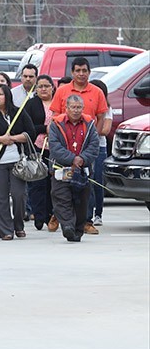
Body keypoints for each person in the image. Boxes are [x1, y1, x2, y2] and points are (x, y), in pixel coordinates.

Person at [50, 57, 108, 235]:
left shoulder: (97, 92)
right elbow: (54, 116)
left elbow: (100, 118)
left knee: (86, 189)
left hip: (86, 148)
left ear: (89, 72)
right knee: (61, 189)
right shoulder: (62, 91)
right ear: (72, 72)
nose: (81, 74)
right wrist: (68, 155)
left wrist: (89, 147)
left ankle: (86, 221)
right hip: (64, 149)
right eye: (78, 70)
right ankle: (60, 218)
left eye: (84, 70)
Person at [0, 85, 36, 240]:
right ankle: (5, 230)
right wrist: (0, 140)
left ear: (8, 96)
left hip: (17, 160)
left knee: (19, 194)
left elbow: (31, 133)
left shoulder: (18, 112)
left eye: (0, 94)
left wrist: (13, 139)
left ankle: (18, 225)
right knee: (0, 197)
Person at [49, 95, 99, 242]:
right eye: (73, 107)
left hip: (82, 170)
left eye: (79, 107)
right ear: (66, 108)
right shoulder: (56, 124)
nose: (76, 110)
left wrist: (81, 159)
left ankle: (77, 229)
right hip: (61, 168)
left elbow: (94, 146)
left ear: (83, 108)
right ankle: (67, 226)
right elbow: (55, 147)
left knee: (82, 200)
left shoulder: (90, 124)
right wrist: (72, 159)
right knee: (61, 197)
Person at [24, 75, 56, 231]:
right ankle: (39, 215)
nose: (43, 89)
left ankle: (52, 215)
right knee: (37, 183)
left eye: (46, 86)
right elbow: (26, 126)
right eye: (40, 86)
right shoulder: (31, 104)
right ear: (36, 89)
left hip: (56, 148)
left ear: (52, 87)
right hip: (36, 147)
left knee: (53, 182)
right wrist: (44, 129)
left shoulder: (59, 103)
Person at [86, 79, 112, 229]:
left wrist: (90, 130)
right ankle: (86, 212)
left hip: (99, 147)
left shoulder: (107, 109)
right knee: (86, 180)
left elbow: (105, 130)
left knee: (97, 181)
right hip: (85, 147)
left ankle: (98, 213)